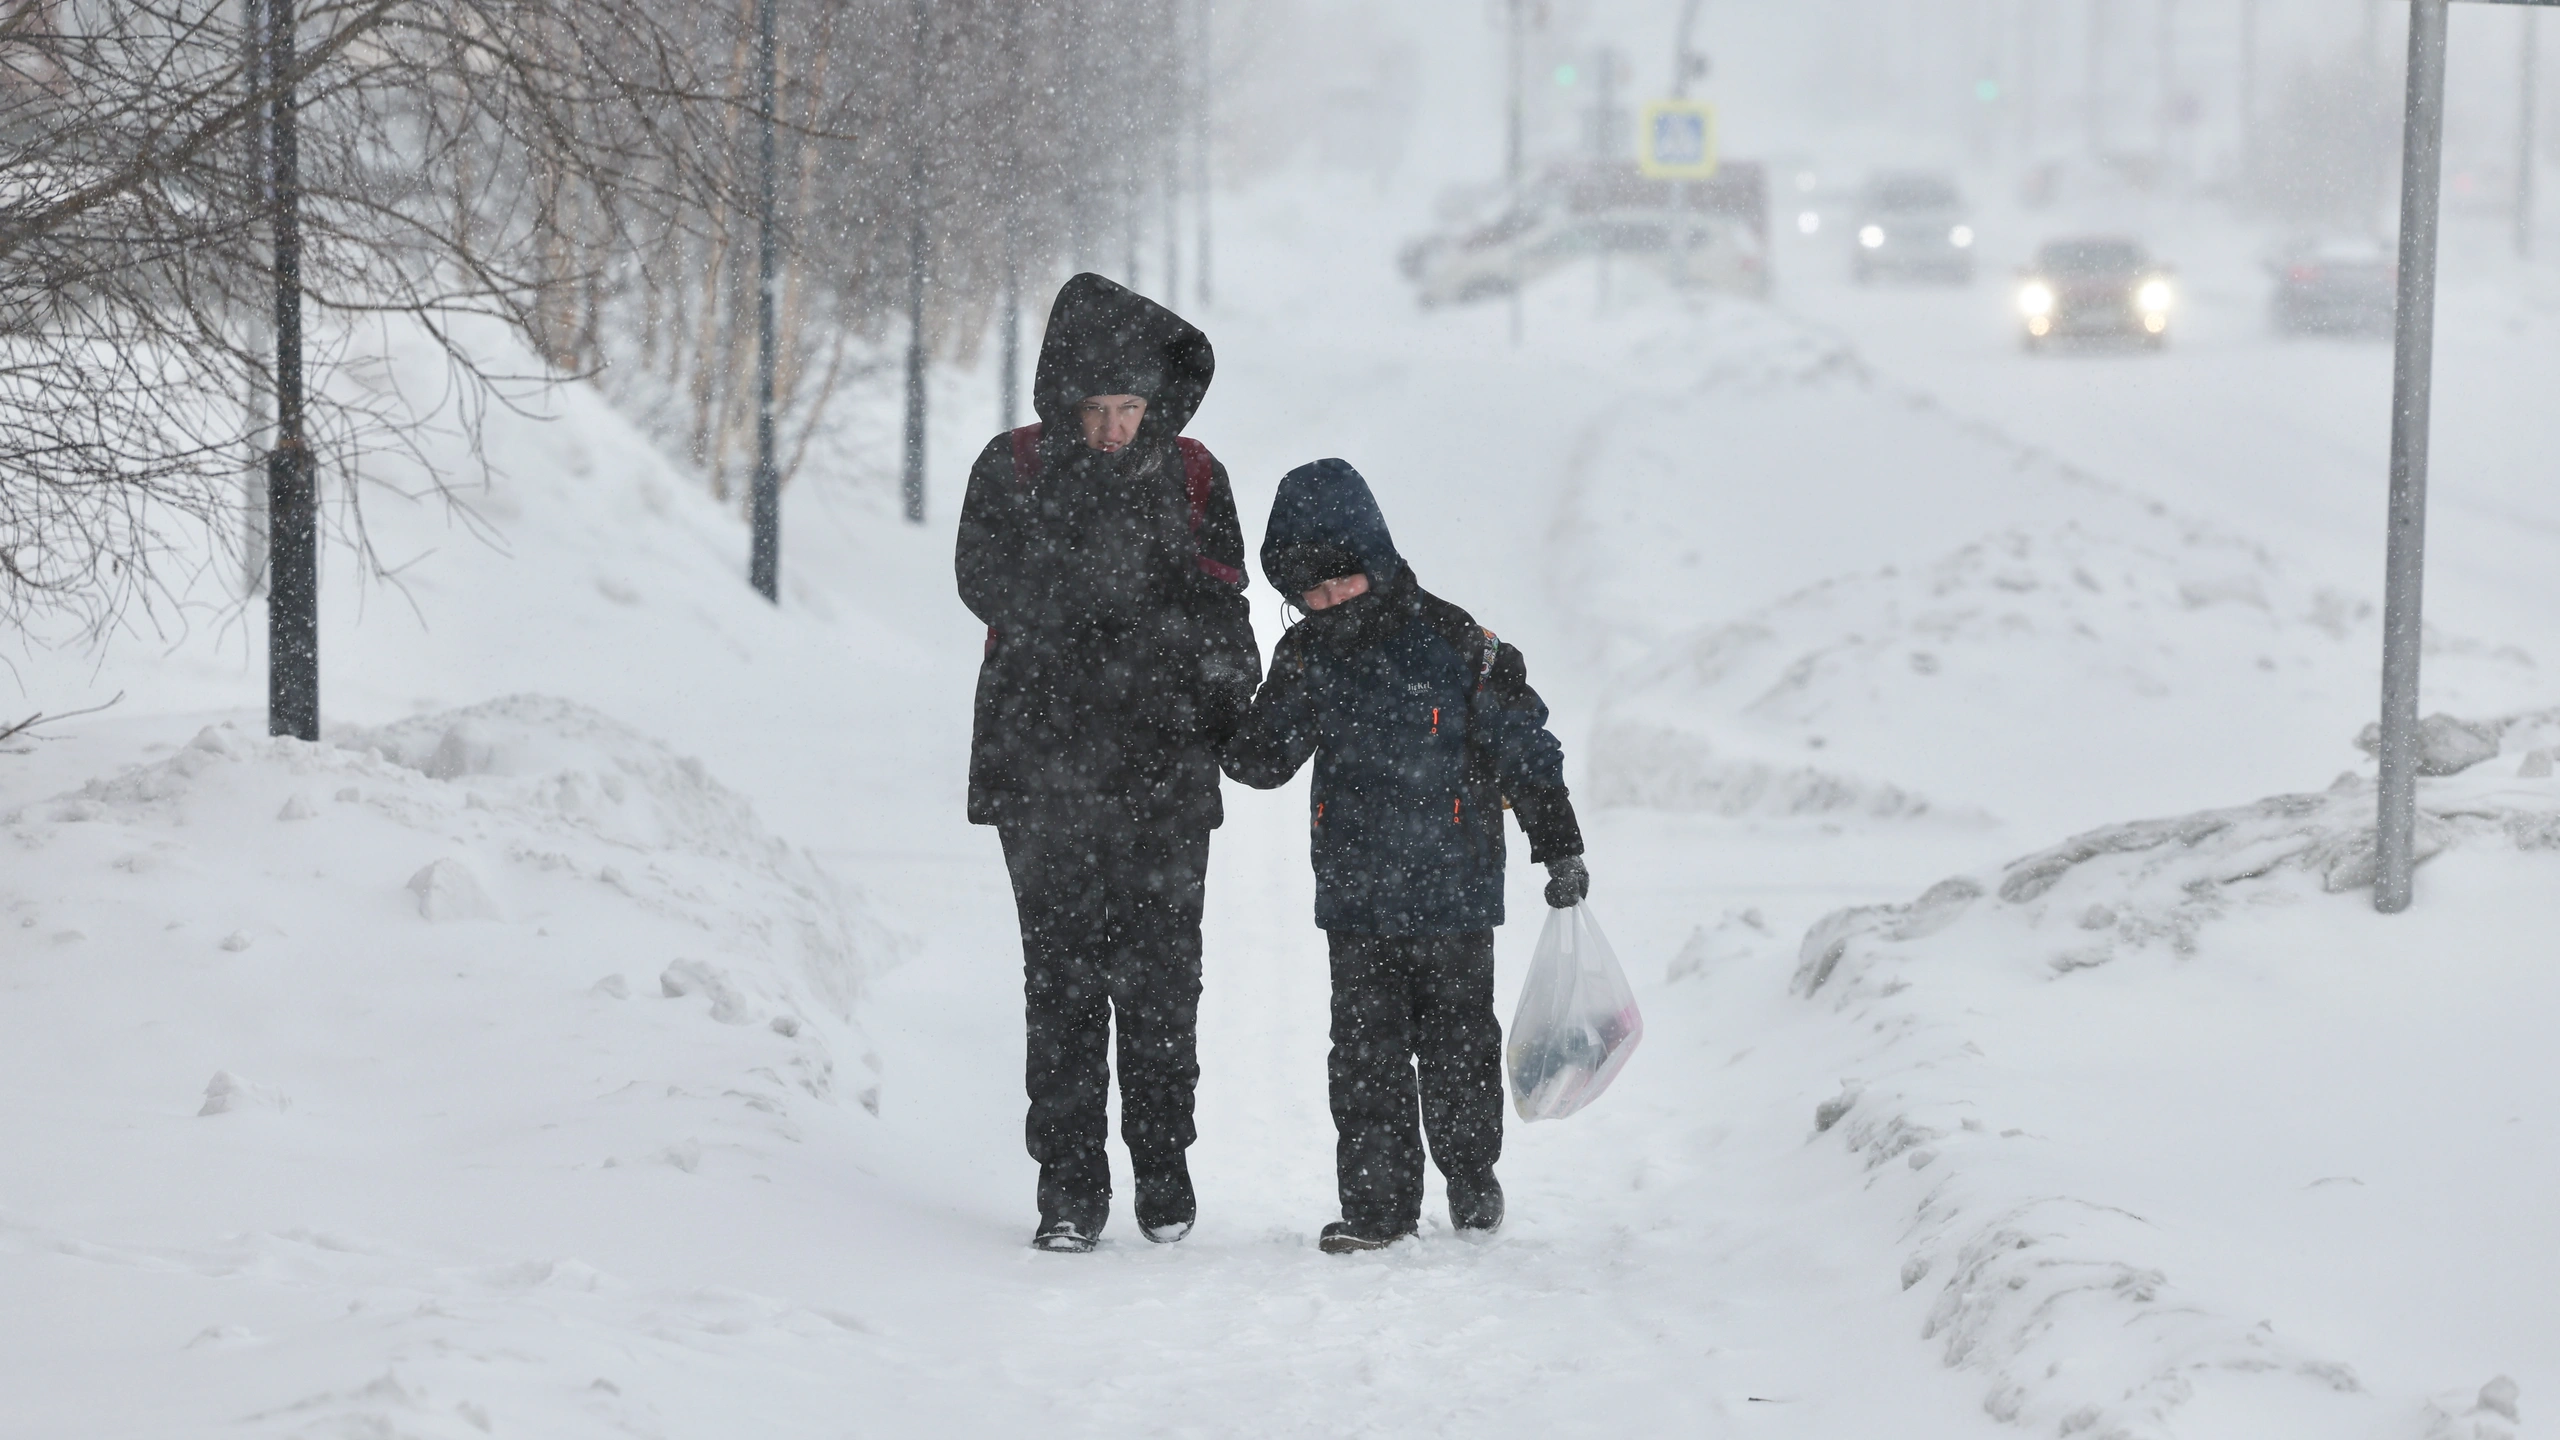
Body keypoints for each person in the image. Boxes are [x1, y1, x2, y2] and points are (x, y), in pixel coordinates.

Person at [954, 274, 1258, 1253]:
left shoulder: (1197, 473)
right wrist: (1094, 604)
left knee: (1165, 979)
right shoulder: (1014, 467)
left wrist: (1226, 693)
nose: (1117, 428)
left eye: (1132, 408)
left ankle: (1163, 1168)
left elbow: (1225, 607)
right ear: (1066, 400)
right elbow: (981, 581)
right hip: (1043, 767)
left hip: (1163, 767)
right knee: (1064, 980)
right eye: (1100, 410)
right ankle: (1070, 1183)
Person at [1221, 458, 1589, 1255]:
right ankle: (1377, 1208)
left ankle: (1470, 1175)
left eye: (1341, 584)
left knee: (1459, 1044)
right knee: (1364, 1059)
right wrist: (1224, 693)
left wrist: (1558, 846)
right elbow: (1261, 762)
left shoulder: (1459, 645)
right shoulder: (1309, 656)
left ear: (1376, 562)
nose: (1327, 604)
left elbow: (1526, 748)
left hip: (1454, 891)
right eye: (1308, 595)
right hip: (1357, 898)